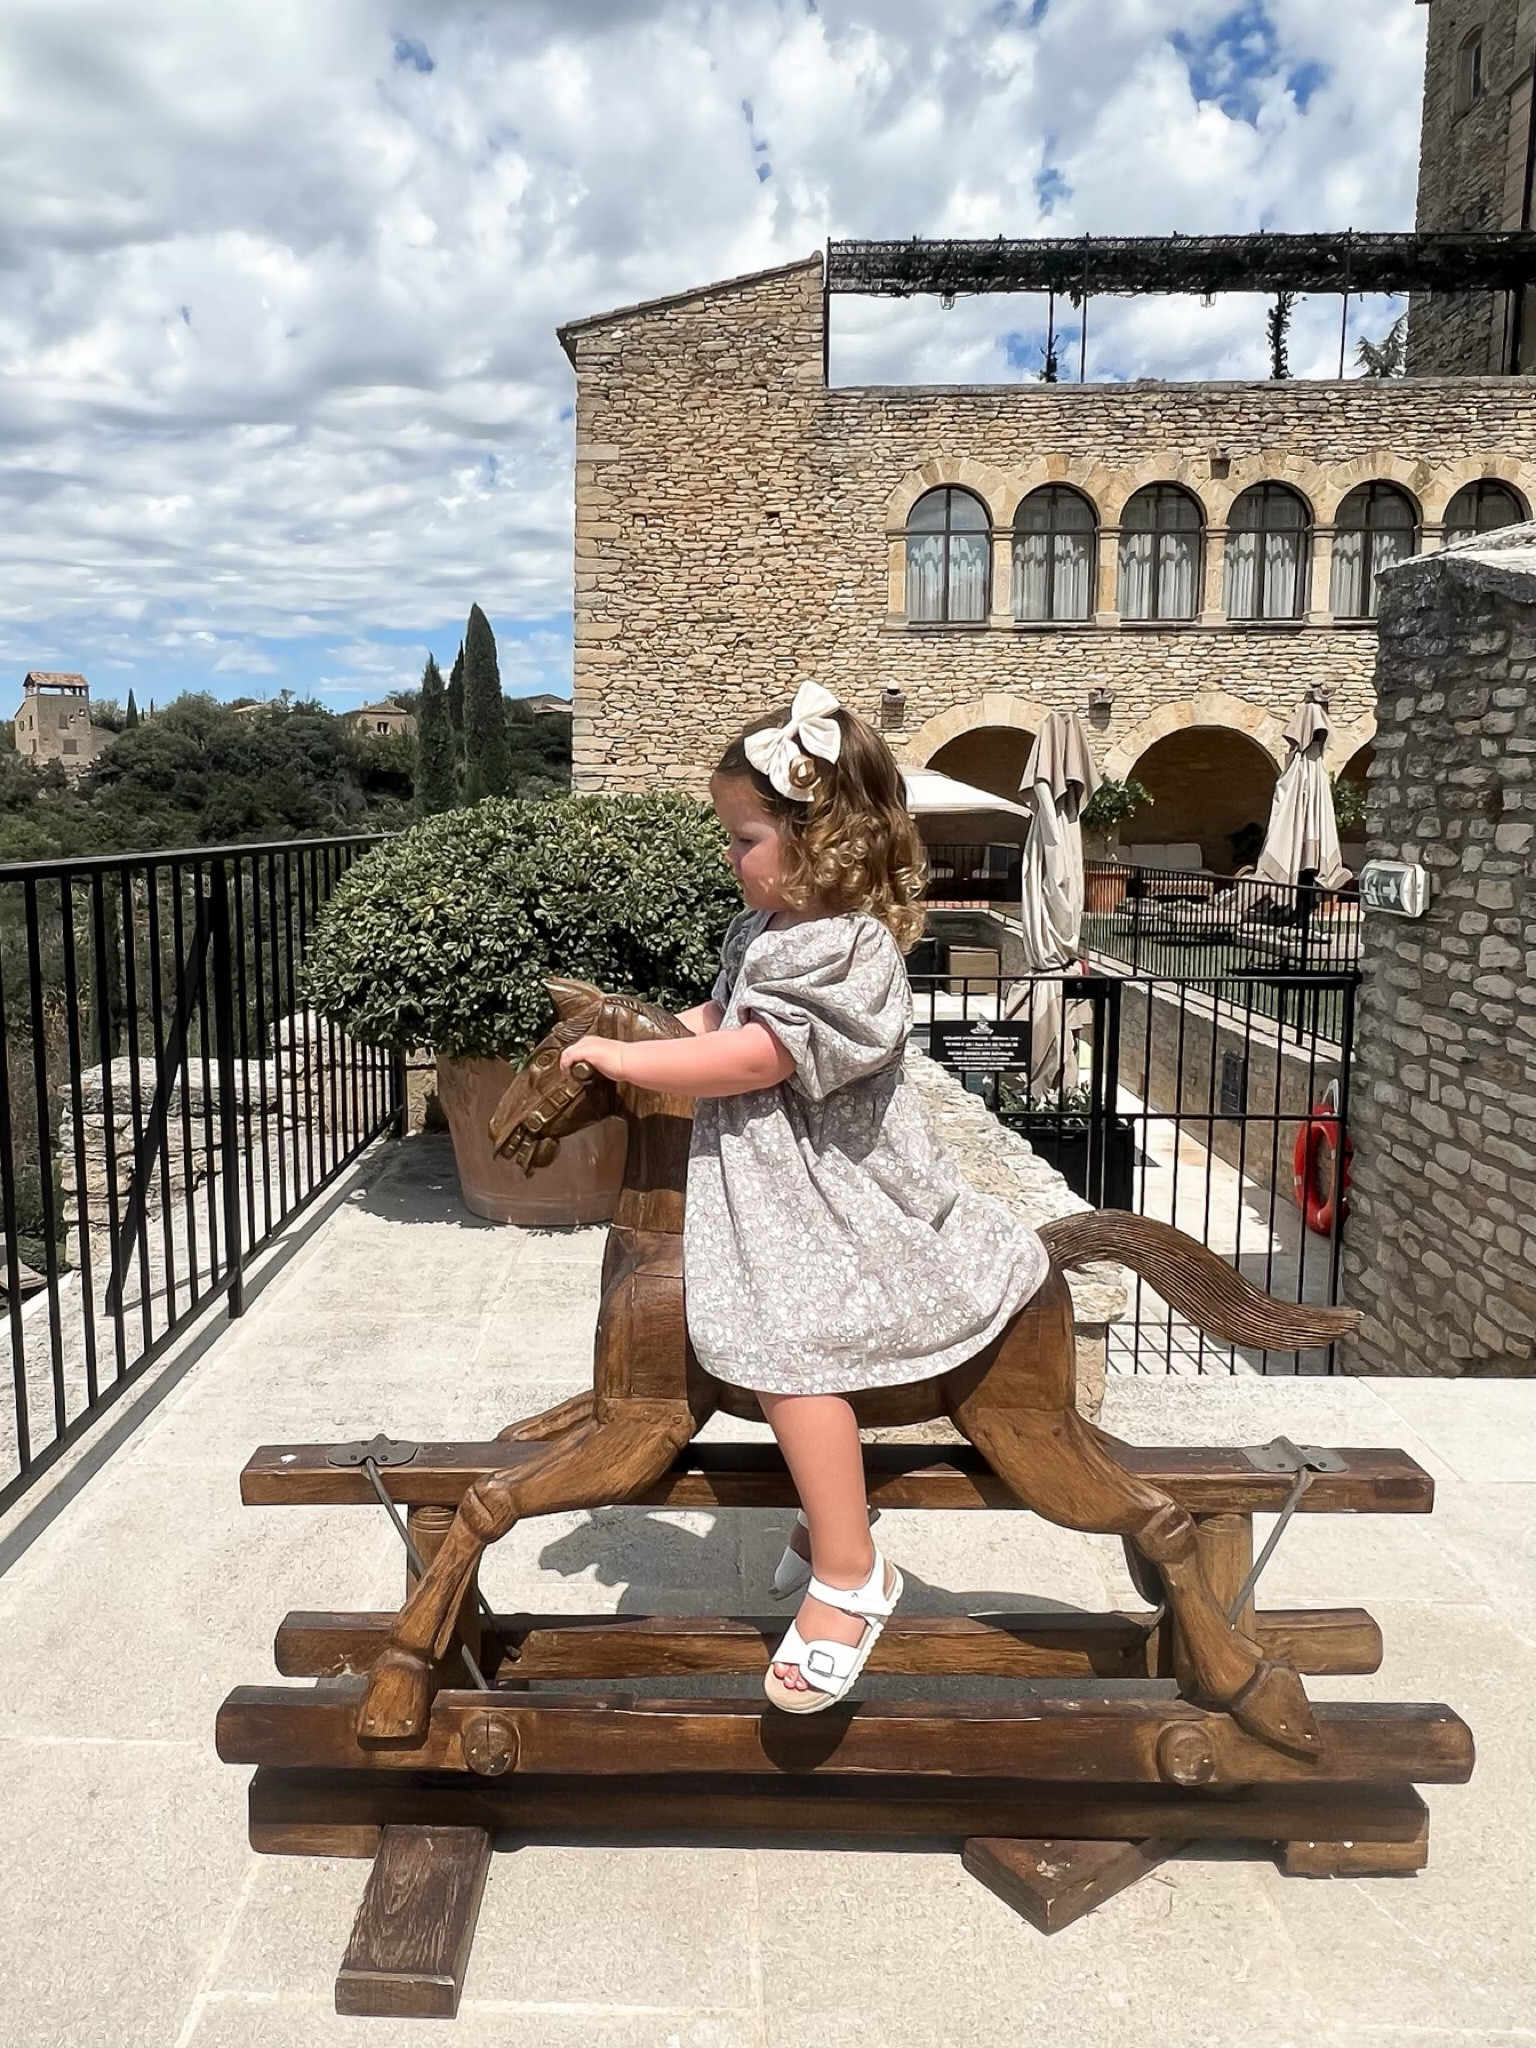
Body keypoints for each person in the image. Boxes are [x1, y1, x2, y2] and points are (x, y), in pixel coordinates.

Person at [558, 681, 1050, 1714]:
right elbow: (722, 1011)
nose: (729, 857)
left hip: (834, 1188)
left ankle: (850, 1569)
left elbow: (761, 1053)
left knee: (792, 1342)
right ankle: (815, 1506)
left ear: (818, 840)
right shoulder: (768, 927)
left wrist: (631, 1060)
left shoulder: (852, 947)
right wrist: (655, 1025)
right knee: (749, 1323)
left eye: (744, 837)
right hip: (772, 1176)